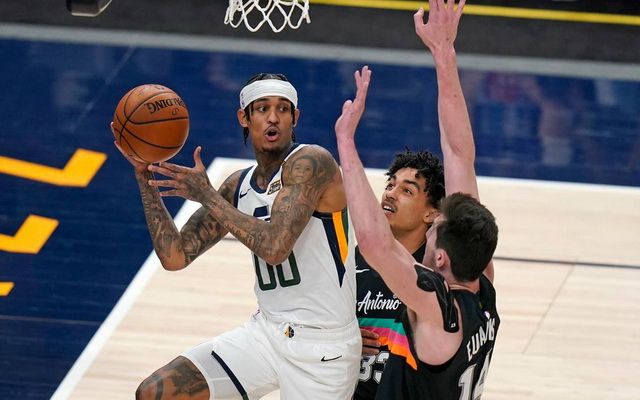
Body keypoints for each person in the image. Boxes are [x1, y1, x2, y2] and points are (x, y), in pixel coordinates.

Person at [115, 72, 361, 399]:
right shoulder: (238, 185)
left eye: (283, 109)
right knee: (157, 392)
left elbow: (275, 247)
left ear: (295, 118)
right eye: (262, 108)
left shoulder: (312, 162)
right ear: (244, 117)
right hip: (266, 334)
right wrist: (144, 178)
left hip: (322, 350)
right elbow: (175, 257)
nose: (273, 117)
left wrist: (207, 196)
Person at [336, 0, 500, 398]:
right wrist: (444, 54)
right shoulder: (482, 282)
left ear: (440, 258)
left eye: (436, 229)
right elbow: (458, 154)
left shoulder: (437, 307)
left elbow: (375, 243)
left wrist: (346, 142)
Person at [355, 150, 445, 400]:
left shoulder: (437, 274)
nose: (390, 194)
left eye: (407, 191)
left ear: (431, 213)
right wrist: (342, 338)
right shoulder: (353, 260)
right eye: (390, 185)